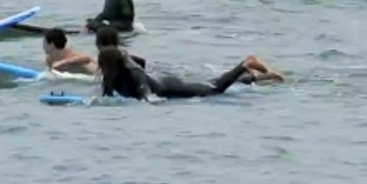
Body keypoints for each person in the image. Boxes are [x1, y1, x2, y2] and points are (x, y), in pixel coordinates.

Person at [99, 49, 280, 101]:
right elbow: (106, 97)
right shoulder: (110, 77)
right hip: (164, 83)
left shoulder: (133, 73)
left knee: (215, 89)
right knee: (210, 83)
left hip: (171, 87)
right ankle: (258, 77)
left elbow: (144, 88)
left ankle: (244, 65)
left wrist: (150, 99)